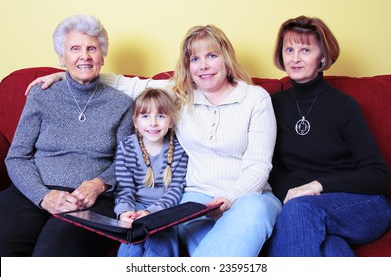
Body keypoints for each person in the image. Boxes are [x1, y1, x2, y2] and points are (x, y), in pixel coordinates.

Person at [25, 24, 282, 257]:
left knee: (255, 209)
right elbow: (131, 85)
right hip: (194, 201)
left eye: (211, 56)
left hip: (247, 196)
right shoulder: (181, 94)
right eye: (195, 59)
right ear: (188, 66)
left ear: (226, 59)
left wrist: (228, 199)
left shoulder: (255, 99)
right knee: (175, 232)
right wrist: (67, 76)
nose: (203, 66)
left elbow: (259, 166)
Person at [0, 15, 133, 256]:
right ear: (62, 58)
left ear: (102, 56)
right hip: (33, 191)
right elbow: (16, 157)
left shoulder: (122, 104)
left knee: (52, 255)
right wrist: (44, 196)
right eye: (75, 49)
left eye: (92, 48)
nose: (85, 56)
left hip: (90, 200)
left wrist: (98, 184)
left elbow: (125, 161)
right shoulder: (42, 95)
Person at [267, 15, 391, 256]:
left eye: (305, 50)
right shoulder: (272, 104)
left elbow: (378, 174)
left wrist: (317, 186)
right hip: (306, 208)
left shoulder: (344, 106)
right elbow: (270, 166)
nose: (294, 58)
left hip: (362, 205)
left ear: (322, 57)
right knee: (331, 247)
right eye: (289, 49)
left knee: (300, 210)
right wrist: (292, 192)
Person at [115, 87, 188, 257]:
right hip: (136, 206)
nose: (153, 123)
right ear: (135, 122)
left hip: (165, 209)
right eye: (145, 116)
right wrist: (125, 211)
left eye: (161, 116)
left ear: (171, 121)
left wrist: (151, 213)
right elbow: (125, 188)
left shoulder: (179, 149)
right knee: (131, 243)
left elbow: (175, 190)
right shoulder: (127, 147)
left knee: (161, 241)